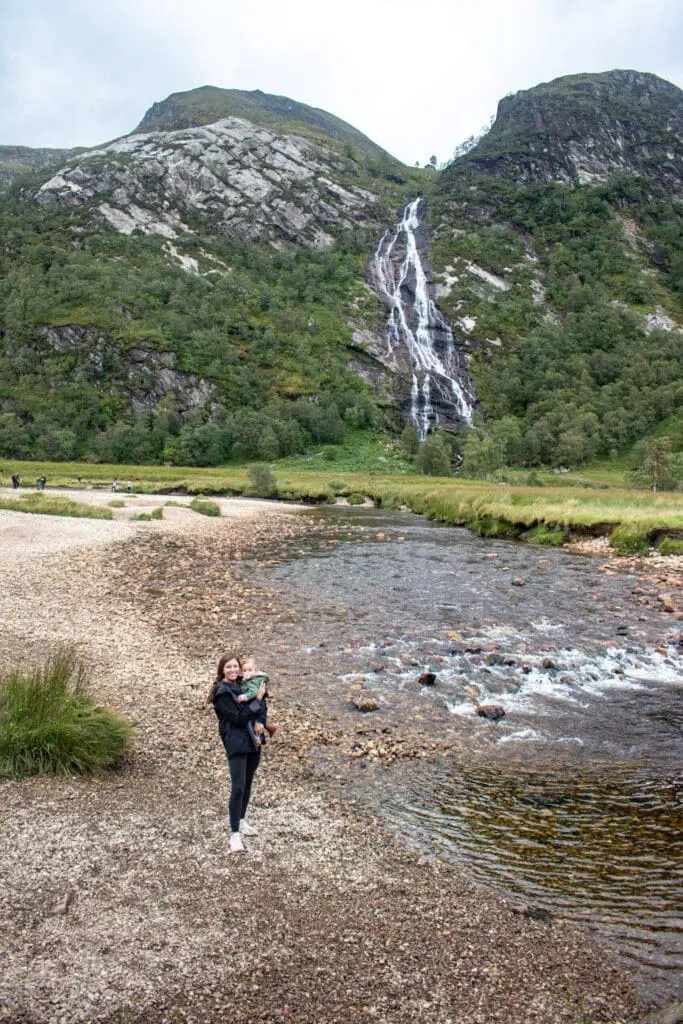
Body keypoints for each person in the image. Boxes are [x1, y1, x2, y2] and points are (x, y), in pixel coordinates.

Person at [211, 655, 267, 853]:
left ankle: (241, 820)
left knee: (248, 782)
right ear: (222, 670)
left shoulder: (245, 684)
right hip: (236, 742)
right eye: (229, 667)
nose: (233, 670)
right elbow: (238, 717)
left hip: (253, 740)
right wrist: (257, 701)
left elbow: (263, 706)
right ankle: (234, 834)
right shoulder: (222, 693)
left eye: (236, 666)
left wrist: (260, 719)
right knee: (238, 786)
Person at [239, 656, 278, 739]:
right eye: (245, 671)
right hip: (255, 703)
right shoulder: (249, 679)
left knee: (256, 721)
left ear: (255, 671)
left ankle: (258, 739)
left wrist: (245, 696)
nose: (247, 672)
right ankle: (269, 728)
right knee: (254, 718)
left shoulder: (253, 680)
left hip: (256, 703)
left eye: (250, 670)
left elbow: (254, 692)